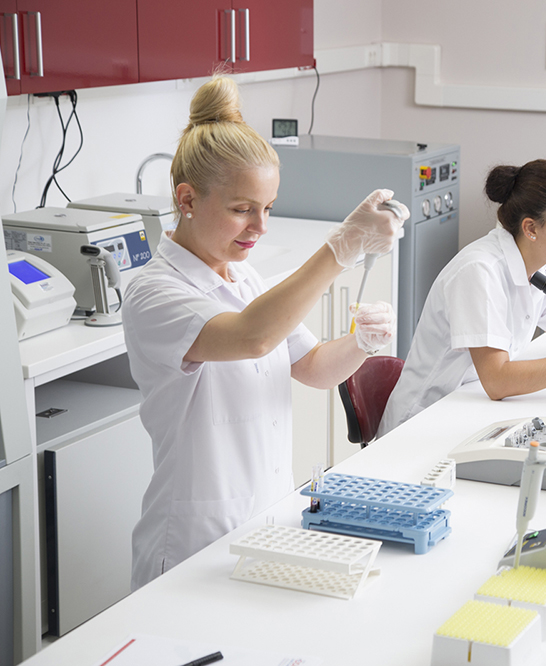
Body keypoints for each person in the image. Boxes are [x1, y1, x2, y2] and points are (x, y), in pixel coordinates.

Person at [122, 75, 407, 590]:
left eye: (268, 207)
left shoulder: (245, 277)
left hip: (268, 521)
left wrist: (361, 343)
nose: (261, 226)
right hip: (193, 542)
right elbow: (251, 338)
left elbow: (313, 368)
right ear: (187, 198)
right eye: (242, 209)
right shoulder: (155, 293)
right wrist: (341, 247)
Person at [377, 159, 546, 436]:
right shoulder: (479, 270)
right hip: (422, 423)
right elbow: (497, 381)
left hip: (472, 410)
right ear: (531, 229)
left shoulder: (540, 266)